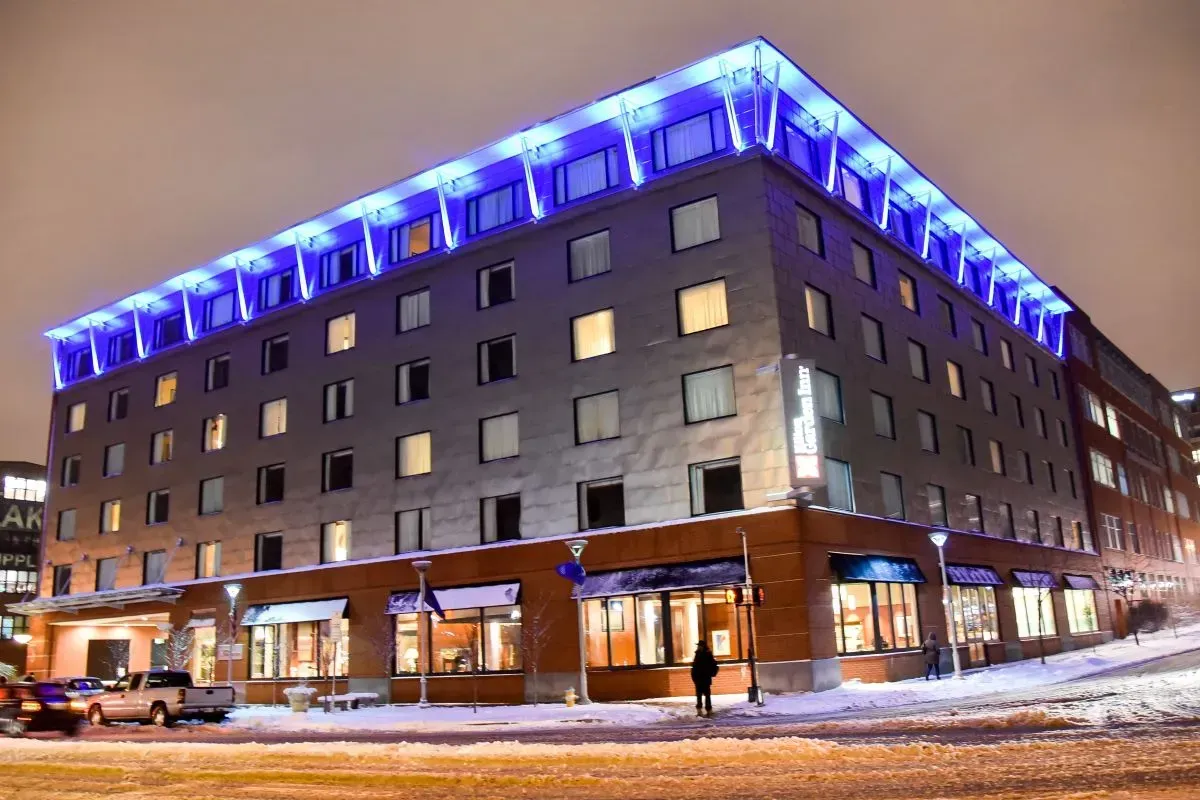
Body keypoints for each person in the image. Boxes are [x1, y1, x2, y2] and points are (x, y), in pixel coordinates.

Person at [690, 641, 719, 717]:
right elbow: (694, 666)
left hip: (705, 678)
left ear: (703, 646)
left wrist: (709, 672)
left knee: (707, 695)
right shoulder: (697, 654)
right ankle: (699, 710)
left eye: (700, 645)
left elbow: (712, 664)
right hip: (699, 678)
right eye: (698, 646)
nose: (698, 647)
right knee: (699, 695)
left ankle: (708, 709)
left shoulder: (708, 654)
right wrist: (694, 677)